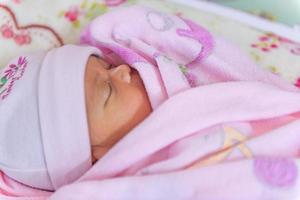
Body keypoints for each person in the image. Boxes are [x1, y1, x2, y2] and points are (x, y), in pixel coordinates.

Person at [1, 5, 300, 199]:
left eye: (105, 66)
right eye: (108, 90)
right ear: (96, 156)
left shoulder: (188, 93)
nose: (120, 70)